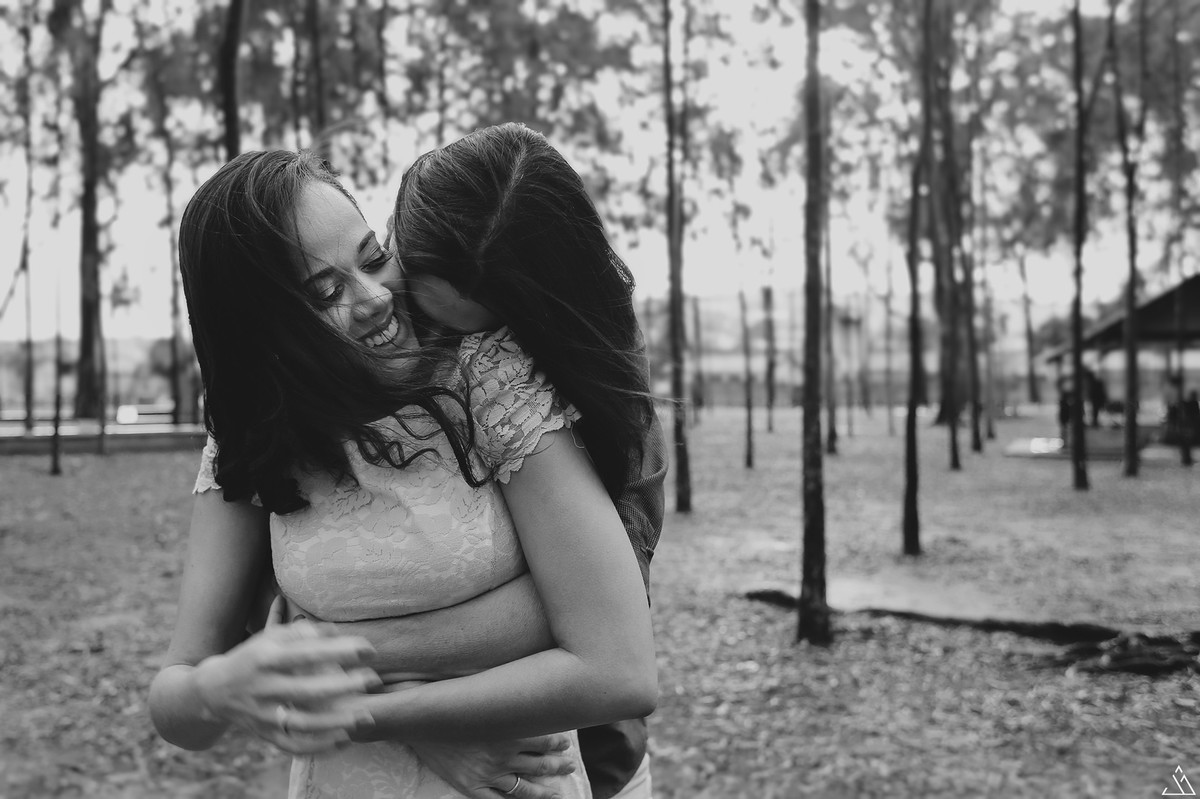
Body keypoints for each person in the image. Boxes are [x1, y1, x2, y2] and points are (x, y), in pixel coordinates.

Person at [149, 148, 658, 799]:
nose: (374, 299)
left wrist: (363, 706)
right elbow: (179, 698)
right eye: (325, 292)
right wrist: (214, 687)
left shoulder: (488, 374)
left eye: (372, 256)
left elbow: (612, 651)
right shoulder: (251, 436)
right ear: (259, 330)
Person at [331, 122, 666, 799]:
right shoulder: (366, 328)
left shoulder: (599, 390)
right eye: (433, 316)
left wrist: (342, 649)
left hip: (576, 753)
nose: (464, 353)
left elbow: (608, 603)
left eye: (478, 333)